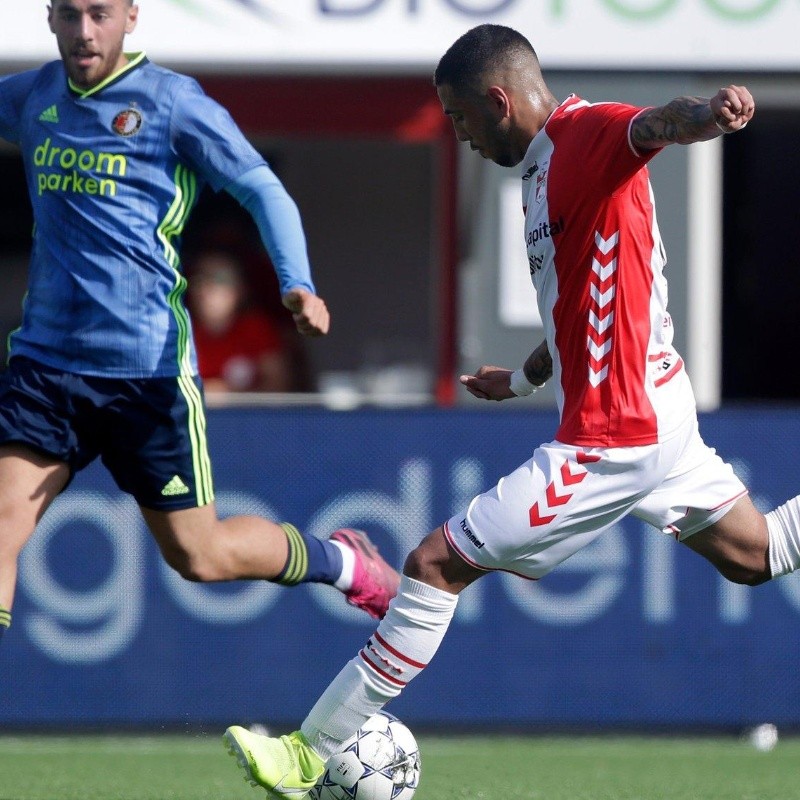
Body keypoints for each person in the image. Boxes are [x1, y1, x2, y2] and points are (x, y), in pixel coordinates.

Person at [221, 23, 800, 796]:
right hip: (656, 414)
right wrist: (524, 379)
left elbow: (655, 125)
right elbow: (579, 308)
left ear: (498, 99)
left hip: (616, 433)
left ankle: (308, 750)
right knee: (755, 555)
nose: (457, 135)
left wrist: (711, 114)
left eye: (459, 116)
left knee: (433, 564)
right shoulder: (538, 177)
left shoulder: (583, 136)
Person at [0, 0, 400, 651]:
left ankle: (343, 562)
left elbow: (262, 189)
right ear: (49, 18)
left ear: (131, 16)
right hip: (46, 370)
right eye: (70, 15)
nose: (83, 32)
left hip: (148, 376)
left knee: (202, 558)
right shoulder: (34, 94)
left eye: (99, 14)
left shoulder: (172, 103)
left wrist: (297, 282)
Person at [188, 249, 294, 394]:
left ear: (240, 289)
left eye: (219, 279)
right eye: (200, 279)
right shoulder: (181, 332)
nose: (207, 289)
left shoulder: (256, 329)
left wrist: (228, 393)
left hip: (251, 415)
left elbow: (278, 386)